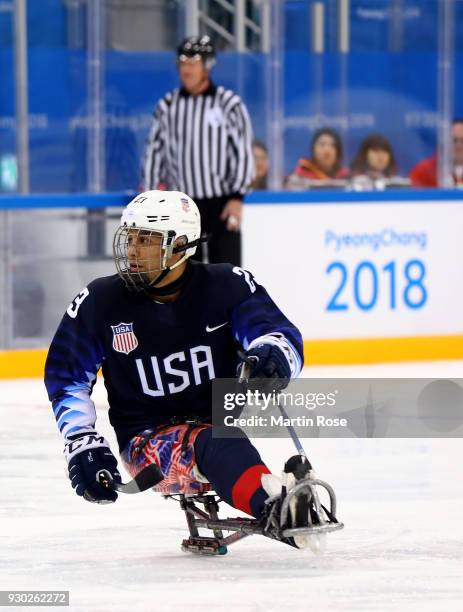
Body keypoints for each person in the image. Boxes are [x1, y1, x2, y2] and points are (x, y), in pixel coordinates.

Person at [44, 189, 313, 548]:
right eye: (129, 238)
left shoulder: (227, 285)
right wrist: (81, 442)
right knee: (215, 442)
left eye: (146, 240)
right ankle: (277, 507)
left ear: (180, 245)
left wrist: (273, 355)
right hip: (146, 443)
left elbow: (279, 334)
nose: (133, 250)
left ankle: (274, 499)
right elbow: (67, 377)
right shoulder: (100, 302)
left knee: (217, 440)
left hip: (216, 422)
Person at [142, 35, 254, 266]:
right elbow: (154, 153)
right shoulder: (168, 106)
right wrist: (151, 198)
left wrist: (237, 197)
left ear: (207, 66)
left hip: (221, 205)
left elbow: (242, 151)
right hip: (180, 206)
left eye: (193, 63)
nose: (186, 69)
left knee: (225, 273)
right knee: (180, 273)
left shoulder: (229, 104)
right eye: (182, 63)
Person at [285, 127, 349, 190]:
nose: (327, 150)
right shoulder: (300, 175)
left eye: (332, 145)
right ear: (313, 149)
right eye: (322, 144)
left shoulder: (346, 177)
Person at [409, 119, 463, 187]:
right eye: (454, 140)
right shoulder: (423, 171)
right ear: (444, 142)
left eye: (462, 140)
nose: (459, 145)